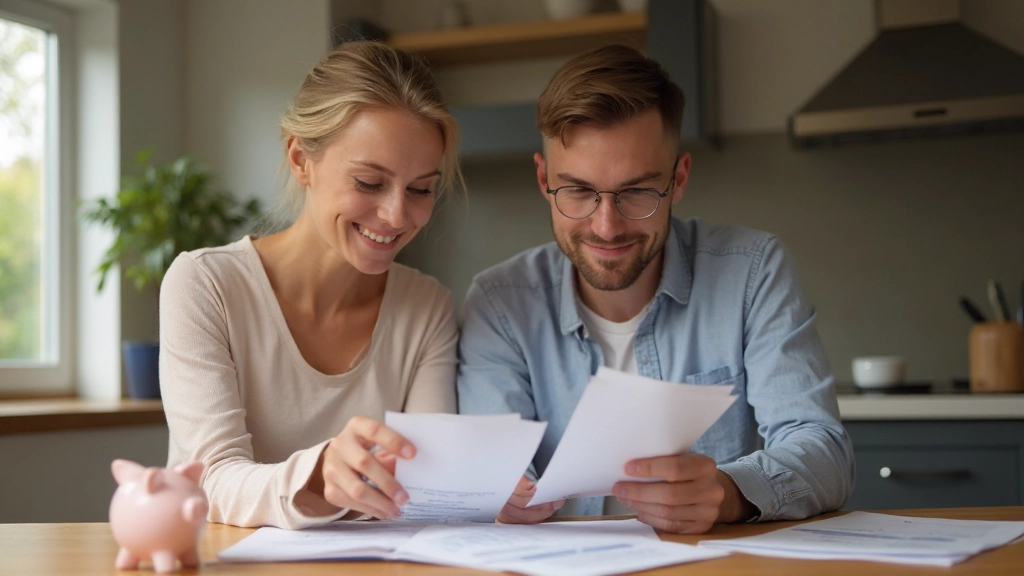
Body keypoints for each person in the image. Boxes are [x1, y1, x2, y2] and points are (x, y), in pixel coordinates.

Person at [457, 44, 855, 534]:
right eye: (578, 191)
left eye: (637, 192)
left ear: (679, 178)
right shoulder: (499, 304)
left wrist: (728, 493)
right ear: (544, 179)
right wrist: (500, 491)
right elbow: (492, 462)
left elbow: (825, 452)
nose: (606, 227)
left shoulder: (753, 272)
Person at [159, 41, 464, 529]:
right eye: (369, 182)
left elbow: (425, 485)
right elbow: (208, 480)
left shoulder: (427, 308)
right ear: (301, 159)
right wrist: (318, 473)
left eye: (421, 189)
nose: (396, 215)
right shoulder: (205, 284)